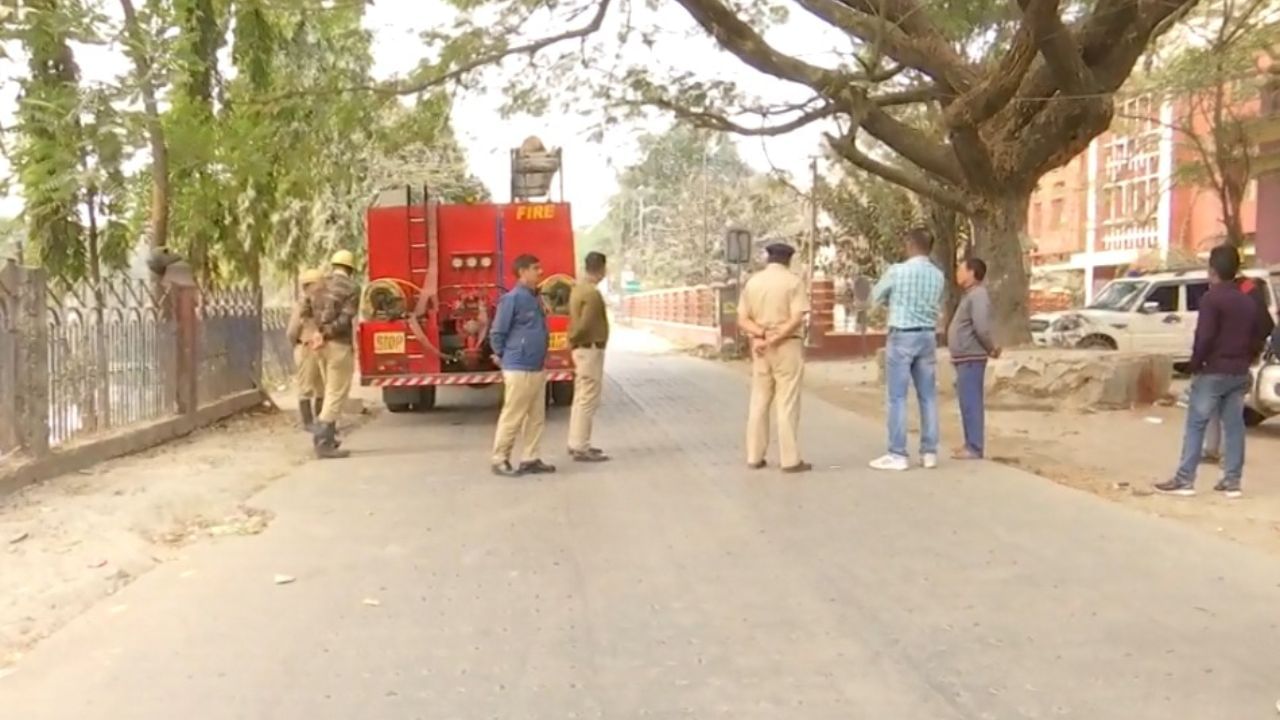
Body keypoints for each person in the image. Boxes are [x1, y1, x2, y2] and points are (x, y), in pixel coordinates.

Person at [1155, 245, 1258, 498]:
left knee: (1196, 424)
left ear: (1212, 269)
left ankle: (1184, 480)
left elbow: (1205, 337)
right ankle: (1232, 481)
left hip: (1213, 370)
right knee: (1234, 426)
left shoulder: (1212, 299)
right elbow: (1257, 336)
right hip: (1239, 371)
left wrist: (1195, 364)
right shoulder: (1248, 301)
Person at [868, 228, 945, 471]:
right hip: (928, 335)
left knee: (898, 397)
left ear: (910, 244)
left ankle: (898, 453)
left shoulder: (897, 271)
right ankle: (929, 452)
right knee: (928, 396)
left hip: (902, 334)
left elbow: (875, 296)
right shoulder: (938, 275)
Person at [738, 242, 811, 474]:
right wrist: (776, 337)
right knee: (786, 402)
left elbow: (742, 319)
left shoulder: (753, 282)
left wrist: (760, 335)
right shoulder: (793, 282)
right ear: (788, 260)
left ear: (768, 259)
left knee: (759, 401)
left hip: (759, 348)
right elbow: (797, 317)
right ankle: (789, 460)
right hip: (786, 346)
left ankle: (754, 456)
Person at [490, 254, 555, 477]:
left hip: (536, 366)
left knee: (536, 416)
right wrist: (502, 355)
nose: (541, 272)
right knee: (514, 415)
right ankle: (500, 459)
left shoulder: (535, 297)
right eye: (536, 268)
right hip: (519, 366)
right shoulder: (512, 299)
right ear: (522, 272)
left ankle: (531, 458)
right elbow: (498, 332)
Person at [1200, 272, 1275, 463]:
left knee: (1224, 408)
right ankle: (1217, 450)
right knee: (1224, 407)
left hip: (1226, 359)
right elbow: (1266, 324)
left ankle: (1221, 452)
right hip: (1242, 357)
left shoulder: (1235, 291)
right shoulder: (1247, 288)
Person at [305, 250, 360, 460]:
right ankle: (323, 442)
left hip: (319, 347)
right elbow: (345, 319)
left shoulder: (319, 285)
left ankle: (327, 437)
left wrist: (316, 334)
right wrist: (326, 333)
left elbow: (307, 314)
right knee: (336, 394)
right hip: (338, 346)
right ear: (350, 269)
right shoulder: (352, 288)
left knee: (328, 391)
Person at [948, 257, 1000, 460]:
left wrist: (991, 348)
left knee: (971, 402)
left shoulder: (978, 295)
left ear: (971, 273)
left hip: (972, 357)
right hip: (964, 358)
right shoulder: (970, 296)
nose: (958, 273)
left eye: (961, 269)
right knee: (966, 402)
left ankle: (975, 447)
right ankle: (969, 443)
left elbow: (981, 327)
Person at [567, 251, 610, 462]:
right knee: (588, 399)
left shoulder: (577, 289)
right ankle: (581, 446)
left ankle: (576, 441)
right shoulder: (591, 294)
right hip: (589, 348)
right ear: (602, 269)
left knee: (580, 397)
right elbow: (585, 323)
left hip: (581, 349)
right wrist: (574, 338)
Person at [286, 268, 327, 432]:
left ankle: (320, 420)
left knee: (321, 387)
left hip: (319, 347)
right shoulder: (303, 305)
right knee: (306, 386)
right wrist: (298, 343)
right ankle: (308, 422)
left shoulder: (322, 304)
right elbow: (292, 331)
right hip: (307, 348)